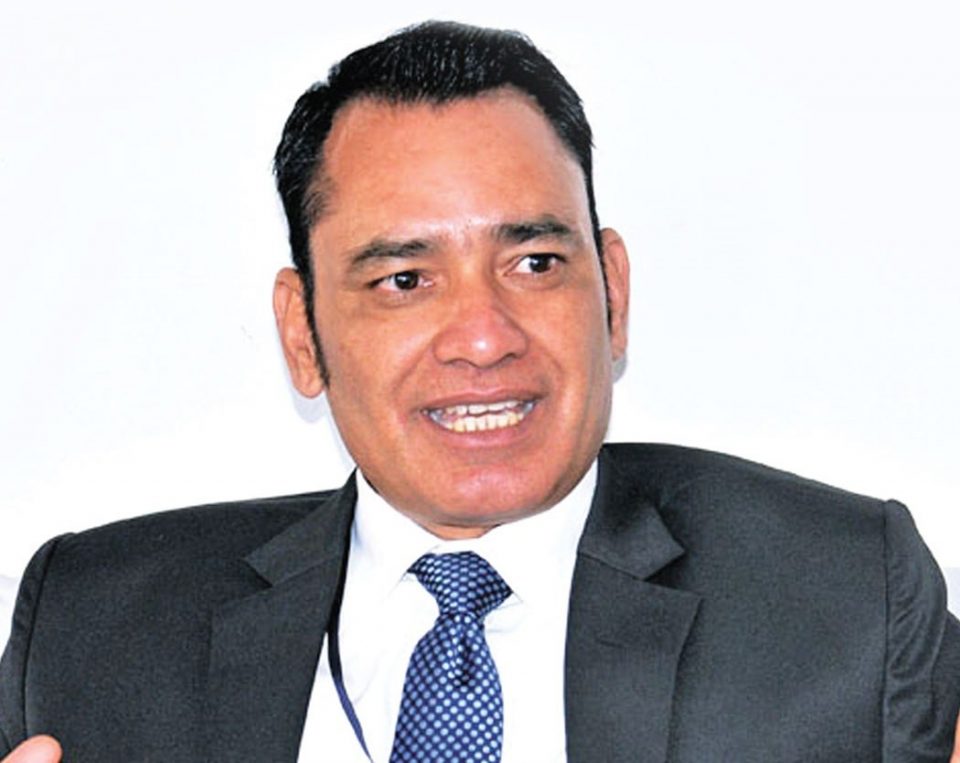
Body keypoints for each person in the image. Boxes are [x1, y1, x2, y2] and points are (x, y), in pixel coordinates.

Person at [1, 20, 958, 763]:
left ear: (613, 294)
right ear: (302, 334)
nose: (485, 337)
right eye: (404, 280)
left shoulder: (842, 599)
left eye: (535, 262)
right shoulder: (96, 627)